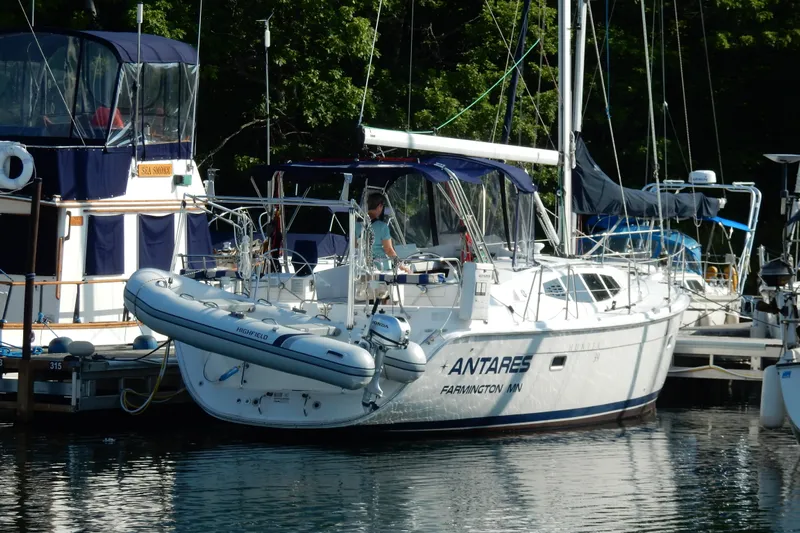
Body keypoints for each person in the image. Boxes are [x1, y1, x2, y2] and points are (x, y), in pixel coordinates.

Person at [356, 192, 409, 272]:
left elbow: (355, 246)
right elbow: (388, 250)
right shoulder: (382, 226)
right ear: (380, 206)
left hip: (362, 266)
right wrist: (401, 266)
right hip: (381, 267)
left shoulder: (357, 224)